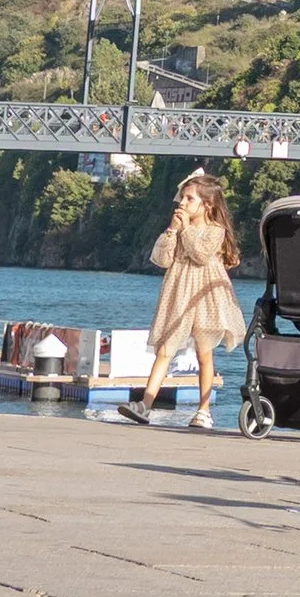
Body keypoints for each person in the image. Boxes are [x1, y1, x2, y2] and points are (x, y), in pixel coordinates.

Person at [114, 172, 242, 428]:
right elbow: (162, 259)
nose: (182, 203)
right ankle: (145, 404)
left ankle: (203, 410)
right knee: (165, 349)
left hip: (205, 294)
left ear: (207, 205)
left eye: (189, 199)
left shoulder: (215, 230)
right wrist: (172, 231)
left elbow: (202, 255)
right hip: (179, 291)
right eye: (182, 197)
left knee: (203, 353)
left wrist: (185, 231)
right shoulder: (179, 228)